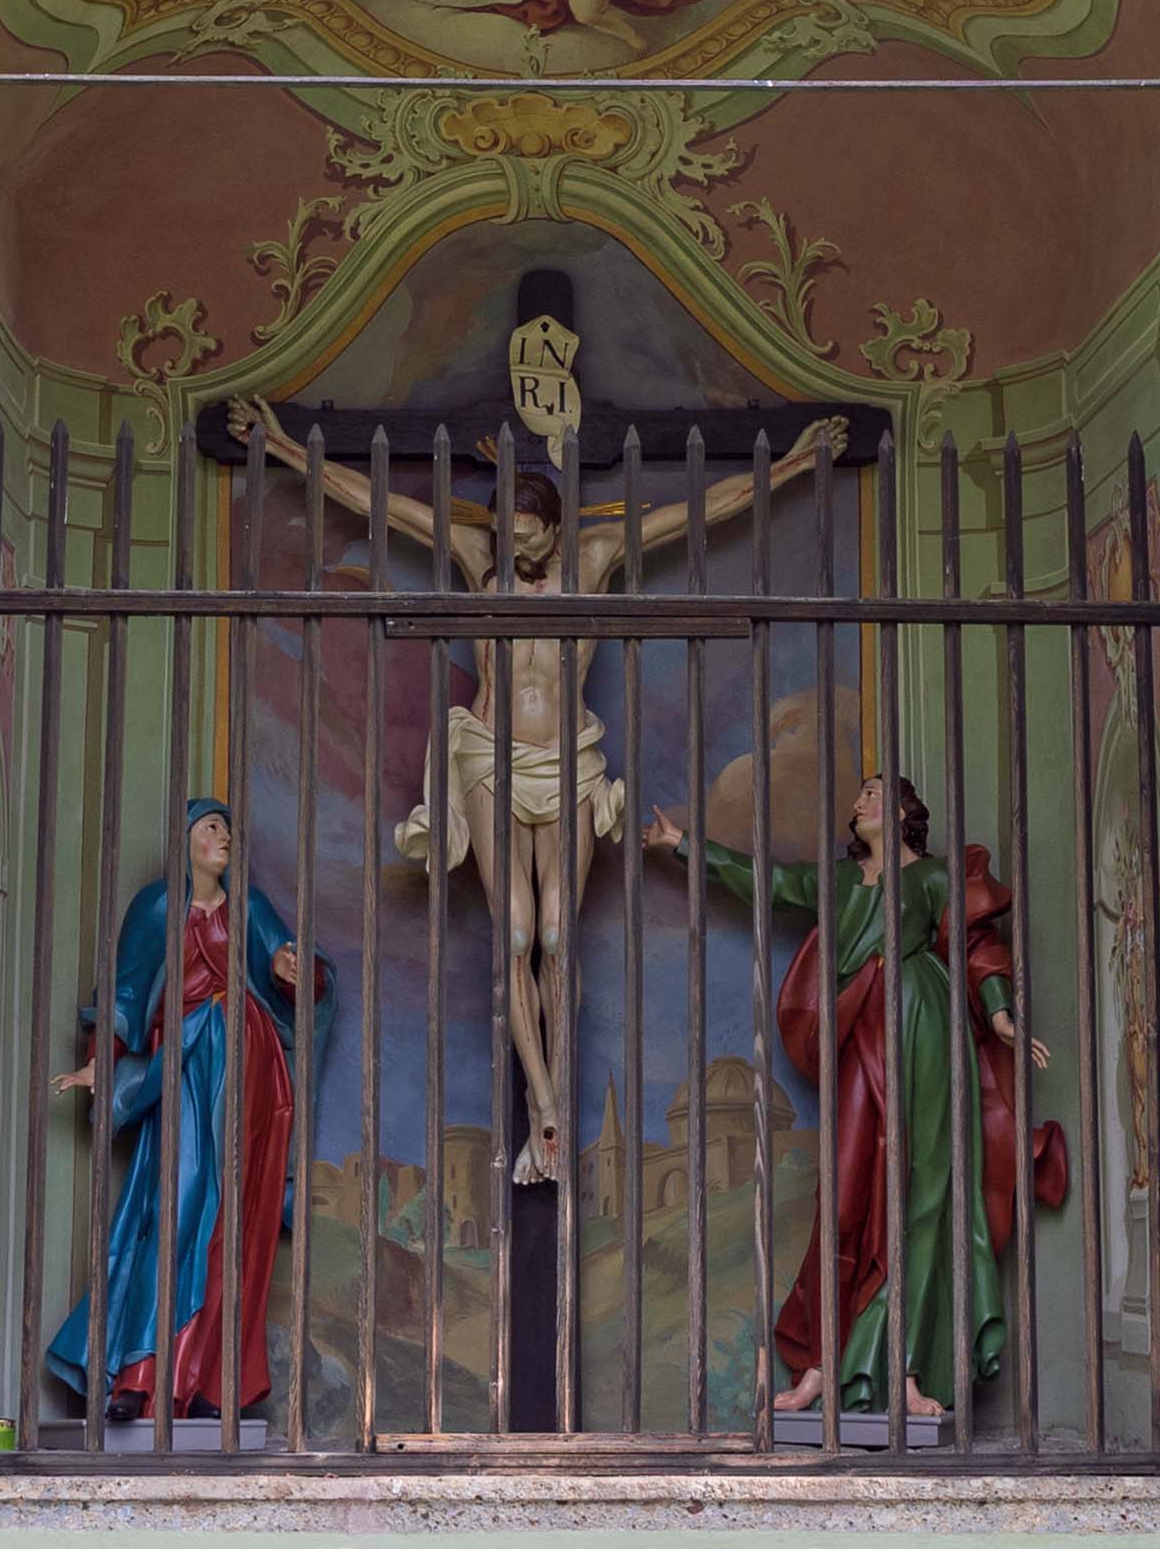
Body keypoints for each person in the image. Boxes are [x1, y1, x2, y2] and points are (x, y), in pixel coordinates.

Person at [230, 386, 848, 1190]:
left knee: (558, 935)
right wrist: (281, 445)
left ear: (554, 529)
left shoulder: (594, 560)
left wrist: (798, 462)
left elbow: (706, 510)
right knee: (514, 936)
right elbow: (373, 500)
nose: (515, 557)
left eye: (527, 543)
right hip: (490, 757)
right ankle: (548, 1106)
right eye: (507, 542)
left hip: (569, 765)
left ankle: (550, 1102)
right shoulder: (475, 551)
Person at [651, 776, 1071, 1429]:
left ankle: (902, 1372)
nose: (862, 801)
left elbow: (976, 945)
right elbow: (767, 879)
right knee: (844, 1193)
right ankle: (820, 1364)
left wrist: (999, 1016)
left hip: (928, 1031)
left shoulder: (934, 876)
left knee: (925, 1196)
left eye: (878, 792)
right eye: (860, 795)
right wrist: (684, 845)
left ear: (904, 810)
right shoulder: (843, 883)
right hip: (864, 1037)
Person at [44, 798, 314, 1433]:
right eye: (210, 826)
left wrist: (285, 967)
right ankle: (142, 1374)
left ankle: (216, 1381)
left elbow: (295, 969)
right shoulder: (158, 907)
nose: (223, 835)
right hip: (187, 1066)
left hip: (249, 1069)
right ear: (185, 841)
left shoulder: (246, 906)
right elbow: (128, 992)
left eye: (227, 827)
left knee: (236, 1221)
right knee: (179, 1205)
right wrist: (99, 1065)